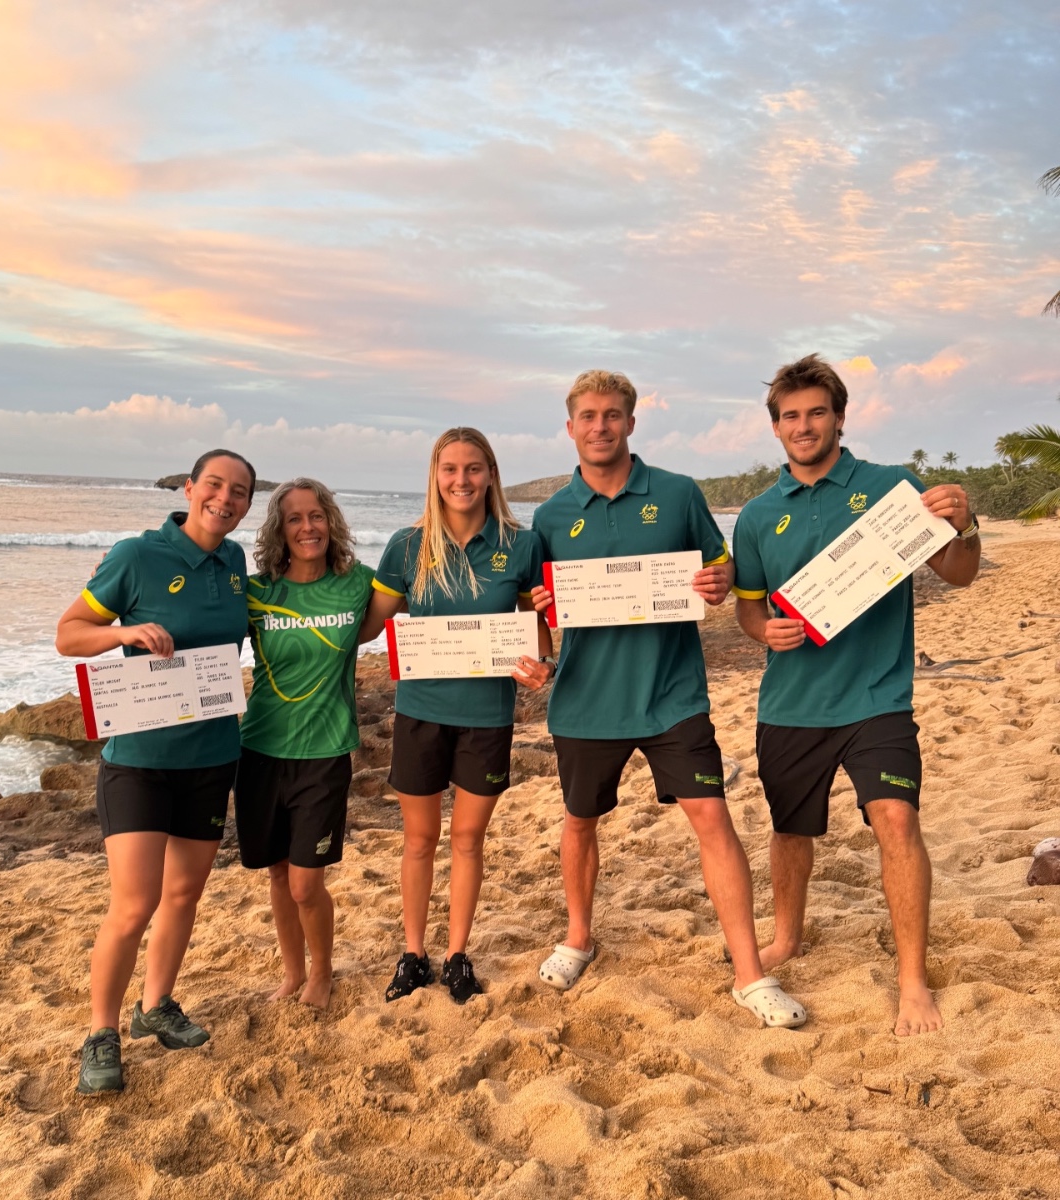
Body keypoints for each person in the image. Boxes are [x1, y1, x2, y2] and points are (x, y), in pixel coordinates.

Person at [530, 370, 806, 1028]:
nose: (600, 426)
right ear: (570, 428)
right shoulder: (548, 515)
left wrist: (718, 581)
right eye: (588, 416)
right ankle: (578, 939)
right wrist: (537, 621)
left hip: (671, 693)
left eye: (613, 415)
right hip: (585, 700)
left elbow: (722, 569)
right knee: (579, 822)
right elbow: (535, 608)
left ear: (631, 422)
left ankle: (749, 974)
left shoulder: (679, 494)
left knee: (712, 817)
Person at [732, 353, 980, 1037]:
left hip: (877, 697)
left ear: (839, 417)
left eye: (816, 412)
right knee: (790, 831)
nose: (804, 425)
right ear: (776, 428)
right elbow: (748, 611)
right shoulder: (756, 516)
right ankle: (786, 936)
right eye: (791, 417)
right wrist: (765, 631)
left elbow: (957, 573)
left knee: (897, 822)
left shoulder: (890, 487)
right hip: (790, 703)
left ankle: (912, 982)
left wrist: (965, 525)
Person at [55, 449, 255, 1094]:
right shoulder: (135, 555)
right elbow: (69, 633)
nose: (225, 499)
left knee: (183, 895)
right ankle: (100, 1033)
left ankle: (156, 1006)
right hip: (138, 761)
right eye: (215, 486)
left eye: (240, 492)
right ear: (190, 487)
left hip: (211, 756)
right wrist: (124, 634)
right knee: (134, 903)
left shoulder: (235, 562)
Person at [365, 428, 552, 1004]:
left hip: (487, 717)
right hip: (419, 714)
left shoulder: (520, 544)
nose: (461, 480)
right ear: (435, 475)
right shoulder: (406, 545)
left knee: (468, 839)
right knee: (419, 841)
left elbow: (537, 629)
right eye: (450, 469)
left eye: (474, 469)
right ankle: (414, 953)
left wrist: (542, 661)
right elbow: (369, 624)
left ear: (491, 474)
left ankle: (457, 955)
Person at [234, 478, 382, 1009]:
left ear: (332, 523)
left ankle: (322, 972)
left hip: (323, 753)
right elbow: (194, 619)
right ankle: (292, 973)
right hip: (259, 750)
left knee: (304, 883)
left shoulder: (361, 583)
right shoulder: (255, 593)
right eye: (294, 518)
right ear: (279, 529)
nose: (307, 527)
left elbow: (430, 595)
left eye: (316, 515)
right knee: (276, 873)